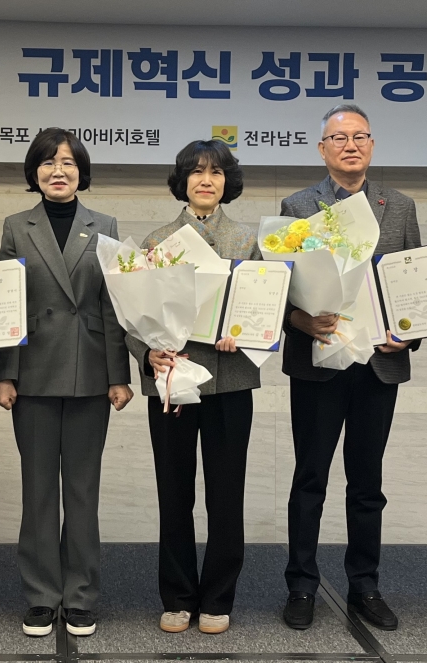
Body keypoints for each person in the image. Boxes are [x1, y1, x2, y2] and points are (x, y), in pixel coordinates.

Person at [279, 104, 421, 632]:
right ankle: (301, 585)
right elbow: (279, 286)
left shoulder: (399, 206)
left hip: (378, 364)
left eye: (360, 136)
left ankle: (365, 586)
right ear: (322, 149)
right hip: (319, 362)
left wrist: (409, 332)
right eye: (339, 138)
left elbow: (414, 280)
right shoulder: (298, 206)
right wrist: (299, 319)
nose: (350, 145)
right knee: (309, 479)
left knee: (367, 483)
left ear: (372, 145)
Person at [0, 128, 132, 638]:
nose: (59, 170)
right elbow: (5, 302)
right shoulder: (15, 225)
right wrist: (4, 374)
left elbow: (113, 304)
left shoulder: (105, 224)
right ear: (35, 172)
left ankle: (81, 596)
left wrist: (120, 376)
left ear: (81, 172)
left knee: (82, 491)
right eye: (49, 162)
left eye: (69, 162)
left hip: (90, 371)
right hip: (32, 372)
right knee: (37, 492)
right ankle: (40, 596)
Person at [126, 140, 261, 636]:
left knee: (226, 494)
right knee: (174, 492)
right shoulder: (158, 240)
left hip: (230, 381)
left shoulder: (246, 240)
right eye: (197, 172)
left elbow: (265, 307)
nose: (206, 180)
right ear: (182, 181)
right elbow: (130, 315)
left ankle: (219, 597)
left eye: (216, 172)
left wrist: (245, 331)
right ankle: (178, 596)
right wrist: (146, 353)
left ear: (228, 182)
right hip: (171, 381)